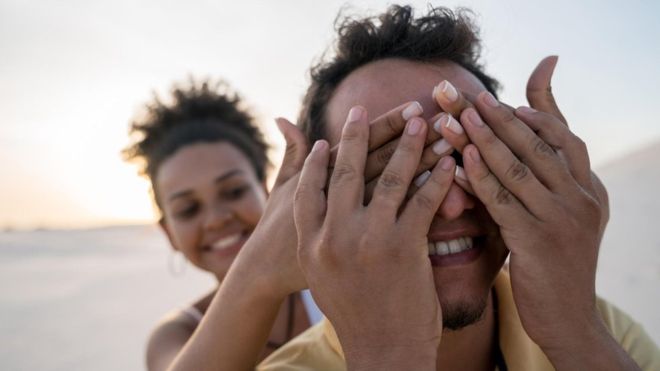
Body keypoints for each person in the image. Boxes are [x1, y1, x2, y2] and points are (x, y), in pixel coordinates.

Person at [258, 5, 660, 370]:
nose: (450, 204)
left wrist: (575, 335)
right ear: (319, 205)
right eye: (391, 175)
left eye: (472, 159)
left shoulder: (602, 336)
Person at [121, 79, 314, 370]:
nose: (216, 219)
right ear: (168, 233)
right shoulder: (176, 336)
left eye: (234, 191)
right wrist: (260, 271)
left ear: (266, 192)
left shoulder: (329, 281)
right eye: (188, 209)